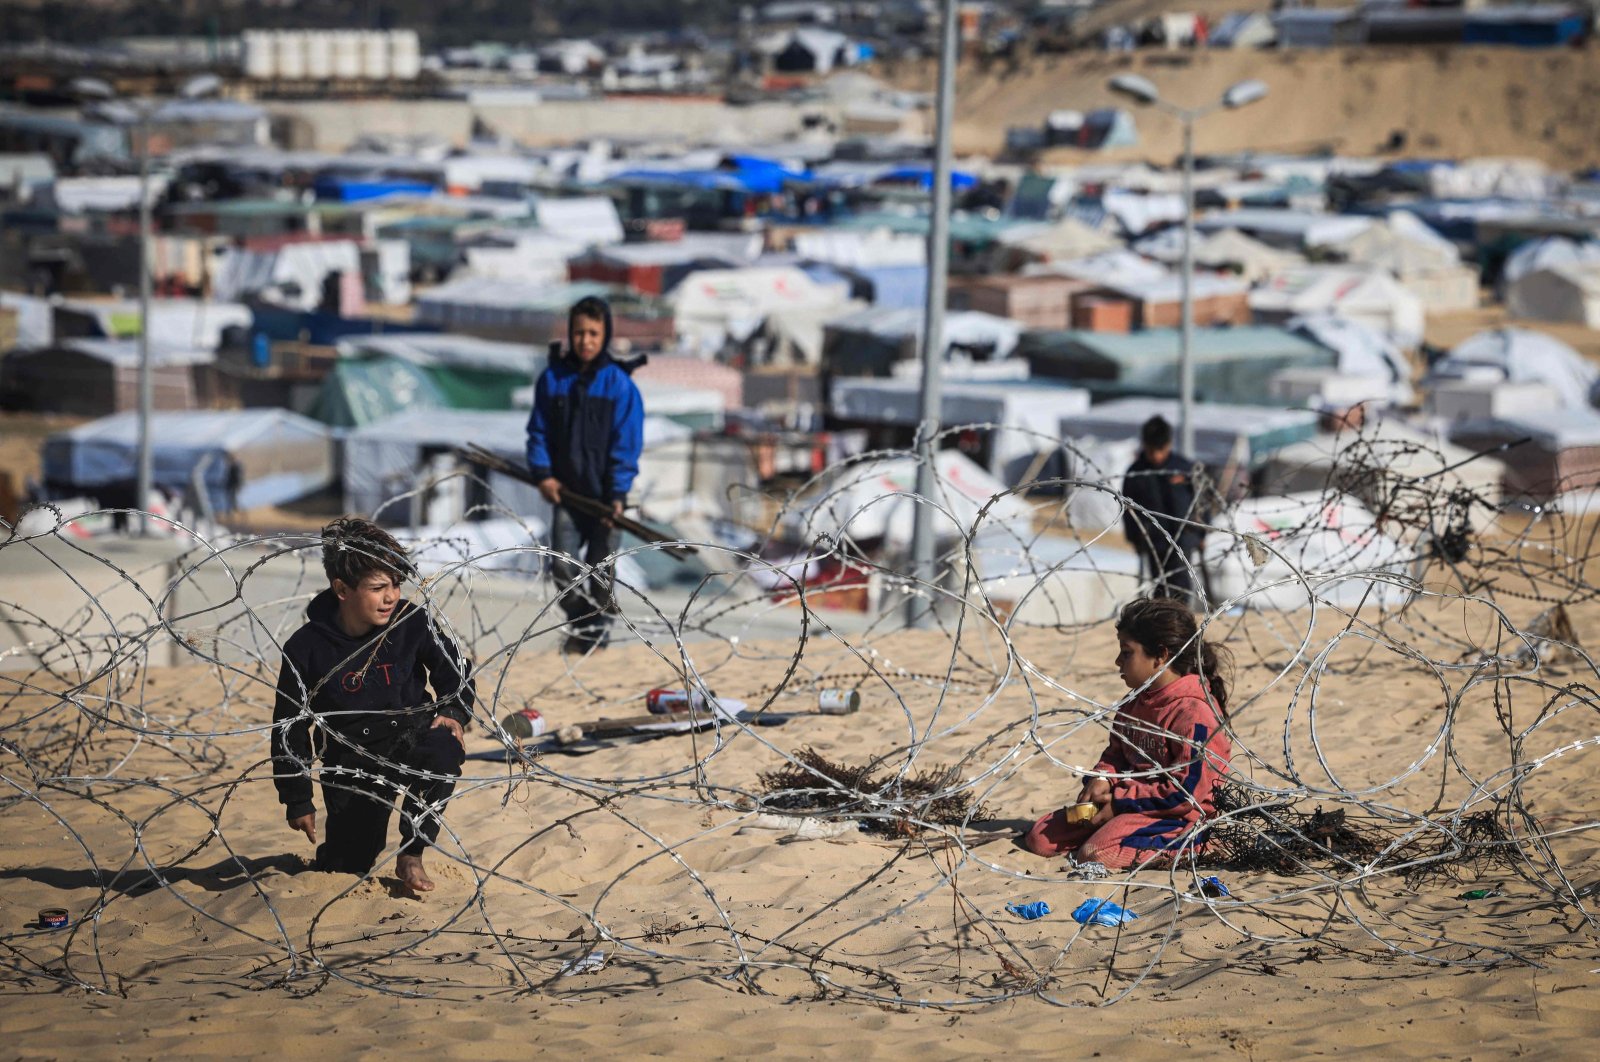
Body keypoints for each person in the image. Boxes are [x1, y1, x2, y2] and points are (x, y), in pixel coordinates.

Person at [271, 517, 473, 894]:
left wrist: (453, 712)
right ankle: (340, 856)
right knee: (349, 865)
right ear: (342, 589)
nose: (391, 596)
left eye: (396, 584)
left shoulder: (411, 621)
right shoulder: (307, 648)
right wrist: (297, 798)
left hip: (413, 736)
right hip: (353, 761)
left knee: (443, 750)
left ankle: (413, 852)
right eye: (378, 587)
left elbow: (454, 672)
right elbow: (289, 727)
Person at [1022, 597, 1232, 870]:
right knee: (1041, 837)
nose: (1117, 661)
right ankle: (1113, 829)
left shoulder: (1193, 713)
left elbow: (1186, 794)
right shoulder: (1134, 704)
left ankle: (1202, 846)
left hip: (1176, 815)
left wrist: (1120, 804)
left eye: (1127, 652)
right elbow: (1116, 755)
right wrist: (1102, 779)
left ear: (1161, 656)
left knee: (1096, 854)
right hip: (1123, 802)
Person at [525, 295, 645, 653]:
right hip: (567, 496)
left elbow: (627, 445)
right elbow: (538, 432)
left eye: (594, 333)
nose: (586, 341)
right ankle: (585, 624)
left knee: (601, 574)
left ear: (605, 334)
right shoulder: (553, 380)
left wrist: (617, 496)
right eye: (579, 333)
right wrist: (543, 473)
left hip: (607, 501)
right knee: (562, 570)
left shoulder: (619, 386)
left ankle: (594, 641)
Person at [1122, 415, 1204, 605]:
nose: (1157, 456)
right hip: (1153, 540)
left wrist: (1201, 534)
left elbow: (1200, 502)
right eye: (1152, 451)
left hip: (1183, 538)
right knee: (1159, 587)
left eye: (1161, 450)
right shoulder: (1136, 473)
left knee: (1181, 587)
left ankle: (1180, 625)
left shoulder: (1183, 468)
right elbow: (1128, 510)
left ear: (1168, 444)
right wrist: (1134, 538)